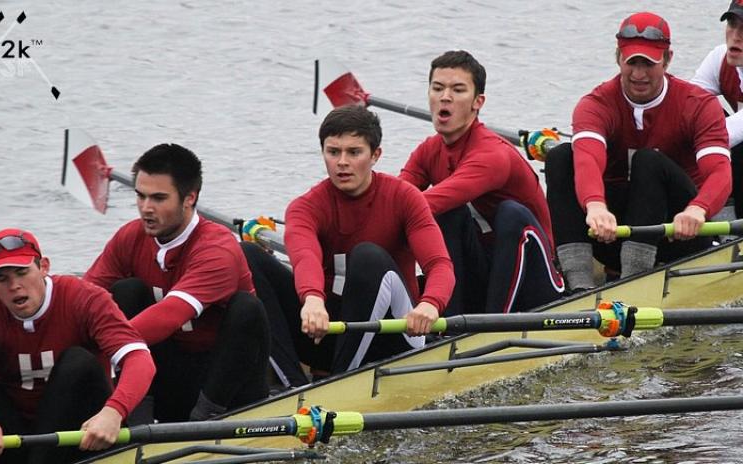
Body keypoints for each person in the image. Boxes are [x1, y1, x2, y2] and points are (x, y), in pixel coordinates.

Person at [243, 105, 454, 384]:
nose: (342, 162)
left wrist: (430, 304)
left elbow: (439, 264)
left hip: (394, 335)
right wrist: (313, 299)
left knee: (367, 256)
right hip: (326, 331)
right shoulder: (304, 208)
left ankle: (337, 382)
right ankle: (291, 384)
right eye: (333, 152)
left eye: (354, 153)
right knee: (244, 255)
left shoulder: (405, 197)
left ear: (375, 155)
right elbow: (305, 256)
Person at [83, 143, 270, 423]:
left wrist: (104, 349)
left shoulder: (217, 249)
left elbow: (168, 316)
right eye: (141, 196)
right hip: (172, 374)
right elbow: (84, 298)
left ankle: (205, 420)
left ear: (189, 198)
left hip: (227, 382)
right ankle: (135, 418)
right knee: (126, 292)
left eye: (158, 198)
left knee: (247, 308)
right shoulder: (130, 237)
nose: (146, 209)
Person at [545, 11, 732, 291]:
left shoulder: (698, 104)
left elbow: (719, 172)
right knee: (560, 156)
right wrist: (595, 205)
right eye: (631, 62)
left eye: (649, 63)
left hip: (679, 232)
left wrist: (698, 209)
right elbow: (587, 159)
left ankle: (632, 284)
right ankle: (578, 288)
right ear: (618, 58)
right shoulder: (595, 103)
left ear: (668, 59)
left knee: (648, 160)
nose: (638, 74)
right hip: (615, 233)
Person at [0, 228, 155, 464]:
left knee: (78, 361)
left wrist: (114, 411)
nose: (14, 286)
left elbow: (139, 359)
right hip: (13, 435)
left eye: (22, 272)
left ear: (44, 267)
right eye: (2, 278)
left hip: (84, 432)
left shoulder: (85, 298)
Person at [399, 50, 564, 315]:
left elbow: (421, 205)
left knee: (510, 213)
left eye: (458, 90)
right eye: (437, 88)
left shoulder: (492, 154)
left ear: (478, 102)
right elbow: (395, 198)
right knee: (447, 214)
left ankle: (491, 323)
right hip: (485, 273)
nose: (445, 97)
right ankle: (449, 325)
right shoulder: (428, 150)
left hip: (537, 281)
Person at [692, 0, 743, 218]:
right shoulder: (719, 58)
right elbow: (686, 107)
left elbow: (726, 135)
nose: (736, 36)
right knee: (706, 112)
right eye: (732, 24)